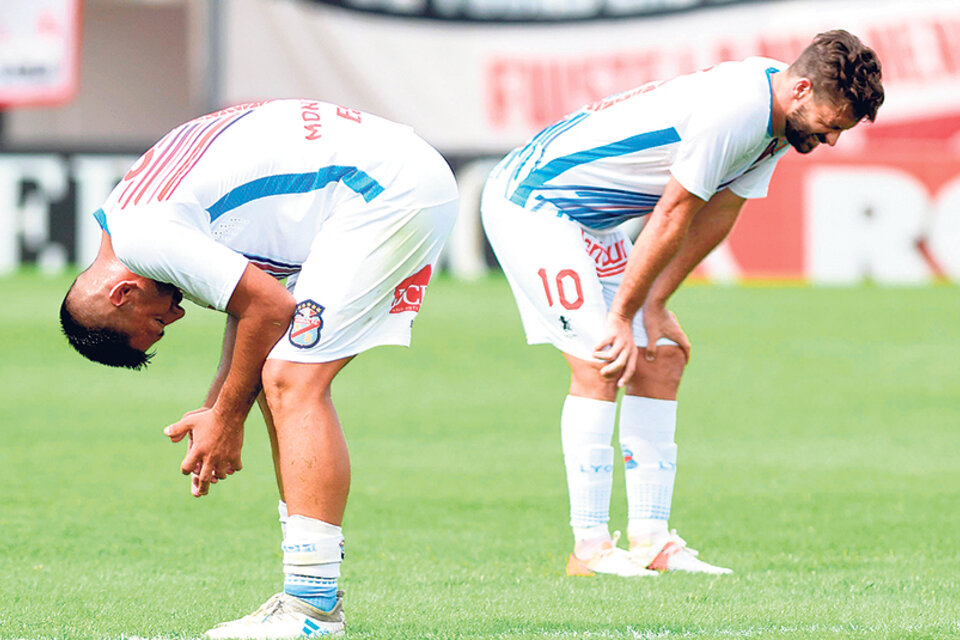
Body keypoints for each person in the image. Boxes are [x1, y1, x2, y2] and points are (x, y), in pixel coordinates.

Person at [481, 30, 883, 577]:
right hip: (535, 203)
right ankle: (590, 549)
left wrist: (656, 302)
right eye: (832, 125)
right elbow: (672, 213)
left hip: (591, 221)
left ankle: (650, 543)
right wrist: (623, 314)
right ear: (803, 89)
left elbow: (721, 211)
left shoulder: (784, 116)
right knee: (604, 357)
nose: (831, 140)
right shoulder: (738, 109)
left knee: (660, 359)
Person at [60, 99, 458, 637]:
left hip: (382, 190)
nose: (177, 313)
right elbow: (251, 307)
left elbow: (269, 309)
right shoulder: (126, 216)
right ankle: (308, 599)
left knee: (292, 380)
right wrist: (216, 409)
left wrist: (227, 418)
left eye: (159, 321)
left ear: (124, 292)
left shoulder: (149, 239)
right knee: (280, 376)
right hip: (383, 172)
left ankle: (312, 611)